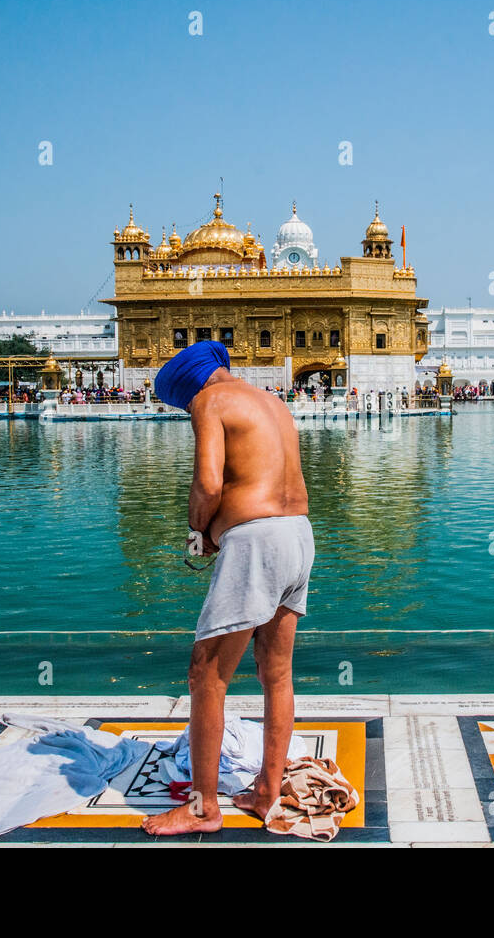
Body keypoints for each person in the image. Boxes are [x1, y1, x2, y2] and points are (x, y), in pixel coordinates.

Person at [141, 340, 314, 835]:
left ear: (189, 389)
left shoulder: (210, 402)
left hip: (256, 542)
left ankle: (202, 808)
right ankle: (267, 792)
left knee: (206, 675)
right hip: (299, 534)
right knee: (276, 673)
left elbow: (210, 483)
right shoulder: (272, 400)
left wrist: (198, 533)